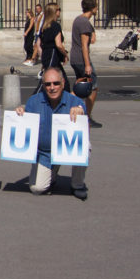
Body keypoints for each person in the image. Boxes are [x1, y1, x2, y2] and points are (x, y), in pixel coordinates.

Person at [15, 67, 89, 200]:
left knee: (85, 145)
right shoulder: (33, 101)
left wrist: (79, 110)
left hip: (66, 148)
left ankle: (77, 184)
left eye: (56, 83)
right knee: (37, 189)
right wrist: (21, 113)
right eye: (47, 84)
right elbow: (26, 127)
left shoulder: (75, 102)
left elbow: (84, 119)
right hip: (44, 153)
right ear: (43, 85)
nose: (52, 87)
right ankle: (52, 171)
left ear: (63, 83)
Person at [71, 0, 102, 128]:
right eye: (96, 6)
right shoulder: (84, 23)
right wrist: (88, 64)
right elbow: (85, 45)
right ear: (93, 8)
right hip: (81, 59)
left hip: (75, 58)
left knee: (80, 85)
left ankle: (69, 107)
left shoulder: (79, 20)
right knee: (93, 87)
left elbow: (92, 40)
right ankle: (87, 117)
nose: (97, 8)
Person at [38, 2, 69, 91]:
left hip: (47, 54)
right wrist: (65, 54)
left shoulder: (44, 26)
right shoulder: (55, 26)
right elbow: (58, 44)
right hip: (53, 55)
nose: (60, 12)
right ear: (54, 12)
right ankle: (32, 102)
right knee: (45, 83)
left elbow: (38, 44)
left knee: (64, 82)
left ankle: (63, 102)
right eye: (59, 10)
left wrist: (43, 58)